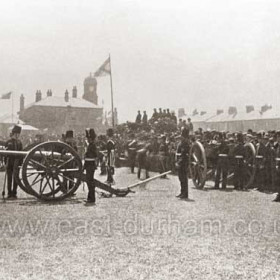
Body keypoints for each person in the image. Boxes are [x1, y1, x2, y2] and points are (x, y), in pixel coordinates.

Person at [4, 125, 23, 199]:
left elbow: (21, 153)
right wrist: (5, 162)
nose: (18, 136)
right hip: (10, 162)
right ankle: (9, 193)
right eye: (17, 134)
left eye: (18, 134)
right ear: (14, 134)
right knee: (9, 178)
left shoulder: (19, 142)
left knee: (16, 179)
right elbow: (5, 153)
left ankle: (14, 193)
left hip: (17, 162)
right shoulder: (8, 142)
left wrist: (20, 163)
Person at [84, 128, 98, 204]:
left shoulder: (92, 146)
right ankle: (90, 197)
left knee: (90, 182)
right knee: (89, 181)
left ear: (91, 139)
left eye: (89, 138)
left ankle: (92, 198)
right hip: (88, 165)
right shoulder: (90, 145)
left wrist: (87, 155)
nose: (88, 140)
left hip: (91, 165)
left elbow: (95, 155)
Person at [175, 127, 190, 199]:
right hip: (179, 162)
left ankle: (185, 194)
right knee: (181, 178)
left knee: (184, 178)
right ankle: (182, 192)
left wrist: (179, 163)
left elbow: (183, 155)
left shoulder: (185, 144)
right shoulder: (181, 143)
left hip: (183, 163)